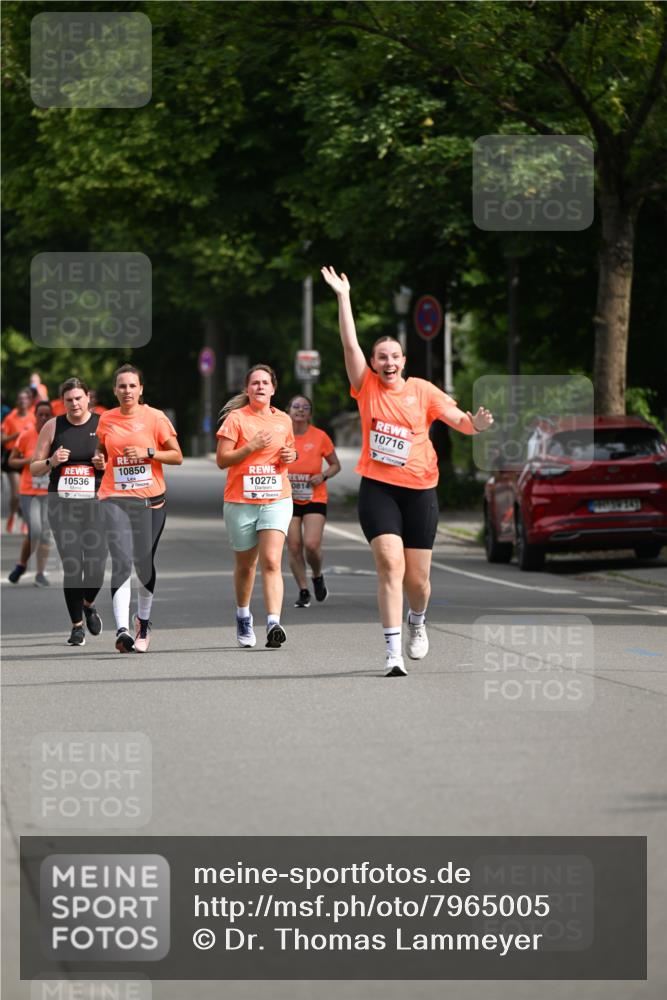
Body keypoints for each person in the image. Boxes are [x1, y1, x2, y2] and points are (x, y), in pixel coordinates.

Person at [321, 266, 494, 677]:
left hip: (420, 491)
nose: (387, 362)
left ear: (403, 361)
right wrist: (344, 297)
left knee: (418, 582)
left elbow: (461, 422)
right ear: (375, 363)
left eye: (394, 356)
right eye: (381, 356)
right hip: (379, 488)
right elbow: (349, 345)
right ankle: (392, 652)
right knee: (389, 566)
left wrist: (478, 426)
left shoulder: (424, 391)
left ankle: (417, 619)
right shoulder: (366, 386)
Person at [95, 364, 182, 653]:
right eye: (122, 386)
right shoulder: (106, 419)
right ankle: (122, 630)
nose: (127, 391)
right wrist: (99, 460)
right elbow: (103, 452)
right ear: (115, 390)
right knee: (121, 558)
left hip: (150, 501)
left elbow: (176, 456)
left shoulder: (155, 418)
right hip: (114, 497)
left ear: (141, 389)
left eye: (132, 386)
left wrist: (148, 452)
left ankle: (142, 622)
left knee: (143, 563)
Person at [216, 364, 297, 649]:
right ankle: (243, 616)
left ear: (273, 389)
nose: (260, 387)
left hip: (276, 498)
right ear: (247, 389)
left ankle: (274, 623)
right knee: (246, 566)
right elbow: (223, 459)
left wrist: (291, 454)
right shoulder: (237, 419)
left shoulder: (284, 420)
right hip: (241, 501)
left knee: (272, 561)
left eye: (265, 383)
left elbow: (289, 451)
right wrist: (250, 447)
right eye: (255, 383)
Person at [30, 378, 108, 646]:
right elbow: (34, 467)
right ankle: (76, 626)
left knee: (96, 564)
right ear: (62, 402)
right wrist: (52, 461)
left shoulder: (103, 424)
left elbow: (118, 463)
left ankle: (88, 604)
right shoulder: (53, 426)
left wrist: (104, 464)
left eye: (78, 398)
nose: (74, 404)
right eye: (68, 400)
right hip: (62, 504)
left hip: (96, 502)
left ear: (88, 398)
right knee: (73, 564)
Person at [285, 394, 341, 607]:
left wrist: (324, 475)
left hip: (314, 495)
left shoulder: (319, 436)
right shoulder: (282, 436)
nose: (300, 410)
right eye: (296, 406)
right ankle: (303, 590)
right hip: (287, 498)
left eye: (305, 407)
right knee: (294, 545)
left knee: (311, 544)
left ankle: (317, 575)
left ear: (310, 413)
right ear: (288, 410)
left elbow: (336, 465)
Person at [7, 400, 53, 585]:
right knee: (35, 530)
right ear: (35, 415)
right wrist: (29, 461)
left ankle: (40, 573)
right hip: (29, 491)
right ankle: (22, 563)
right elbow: (11, 461)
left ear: (51, 416)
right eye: (40, 414)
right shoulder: (26, 435)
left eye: (47, 415)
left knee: (44, 533)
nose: (43, 418)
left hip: (50, 492)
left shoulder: (56, 435)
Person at [2, 389, 35, 533]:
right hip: (13, 455)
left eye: (25, 399)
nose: (22, 402)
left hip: (28, 457)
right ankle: (12, 514)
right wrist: (17, 435)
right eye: (20, 399)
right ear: (17, 402)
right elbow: (2, 439)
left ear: (29, 401)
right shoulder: (10, 418)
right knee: (16, 494)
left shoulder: (33, 417)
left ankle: (25, 520)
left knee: (27, 492)